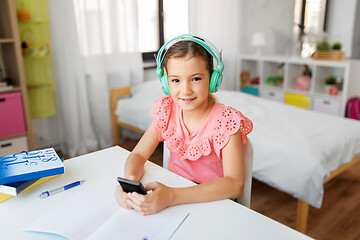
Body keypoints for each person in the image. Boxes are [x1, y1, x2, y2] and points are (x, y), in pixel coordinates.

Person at [115, 34, 253, 215]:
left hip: (213, 202)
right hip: (174, 197)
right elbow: (139, 154)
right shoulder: (166, 110)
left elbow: (235, 185)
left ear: (213, 79)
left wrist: (172, 196)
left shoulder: (226, 121)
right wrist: (130, 183)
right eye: (175, 80)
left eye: (196, 79)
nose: (186, 90)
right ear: (166, 83)